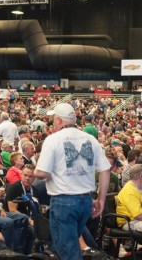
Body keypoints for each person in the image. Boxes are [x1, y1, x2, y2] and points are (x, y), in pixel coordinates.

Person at [35, 102, 111, 260]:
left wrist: (38, 172)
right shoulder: (90, 138)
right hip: (85, 200)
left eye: (53, 120)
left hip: (64, 201)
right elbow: (105, 169)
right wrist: (101, 199)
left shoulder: (53, 139)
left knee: (68, 251)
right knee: (69, 246)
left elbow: (41, 173)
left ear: (58, 120)